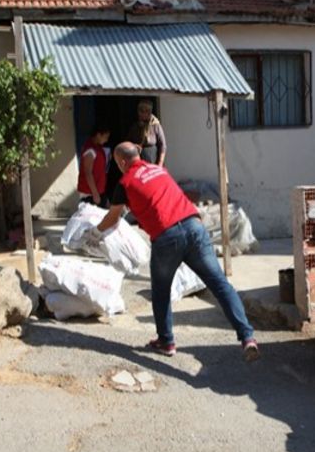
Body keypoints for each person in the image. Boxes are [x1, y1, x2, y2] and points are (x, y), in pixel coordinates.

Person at [85, 142, 260, 361]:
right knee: (220, 284)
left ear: (121, 162)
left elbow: (113, 218)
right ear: (139, 153)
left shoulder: (125, 183)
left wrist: (95, 233)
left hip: (167, 238)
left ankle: (166, 342)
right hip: (195, 228)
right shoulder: (160, 170)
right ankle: (247, 338)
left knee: (161, 291)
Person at [78, 124, 111, 208]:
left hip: (98, 191)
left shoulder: (98, 148)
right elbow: (88, 173)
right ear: (98, 135)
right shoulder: (90, 151)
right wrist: (95, 193)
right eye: (105, 137)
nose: (106, 140)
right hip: (90, 194)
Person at [127, 100, 167, 167]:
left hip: (154, 162)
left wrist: (160, 163)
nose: (143, 113)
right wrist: (134, 146)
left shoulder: (155, 125)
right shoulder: (135, 127)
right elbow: (127, 143)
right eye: (141, 111)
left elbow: (163, 145)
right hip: (139, 162)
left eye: (146, 111)